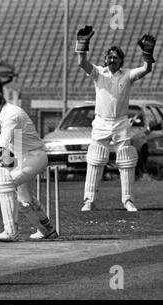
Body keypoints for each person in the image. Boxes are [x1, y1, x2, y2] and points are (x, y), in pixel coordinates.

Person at [75, 25, 156, 212]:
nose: (112, 60)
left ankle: (128, 200)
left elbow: (146, 68)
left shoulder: (127, 75)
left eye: (115, 58)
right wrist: (82, 43)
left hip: (120, 122)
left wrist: (146, 53)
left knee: (126, 160)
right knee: (95, 159)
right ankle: (89, 200)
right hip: (101, 121)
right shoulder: (98, 73)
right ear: (105, 59)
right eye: (109, 57)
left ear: (121, 61)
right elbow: (82, 62)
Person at [0, 87, 58, 242]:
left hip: (33, 158)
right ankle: (47, 231)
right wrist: (5, 162)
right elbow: (16, 144)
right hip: (26, 159)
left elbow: (1, 147)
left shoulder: (10, 116)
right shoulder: (7, 113)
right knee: (24, 201)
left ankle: (10, 232)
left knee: (5, 184)